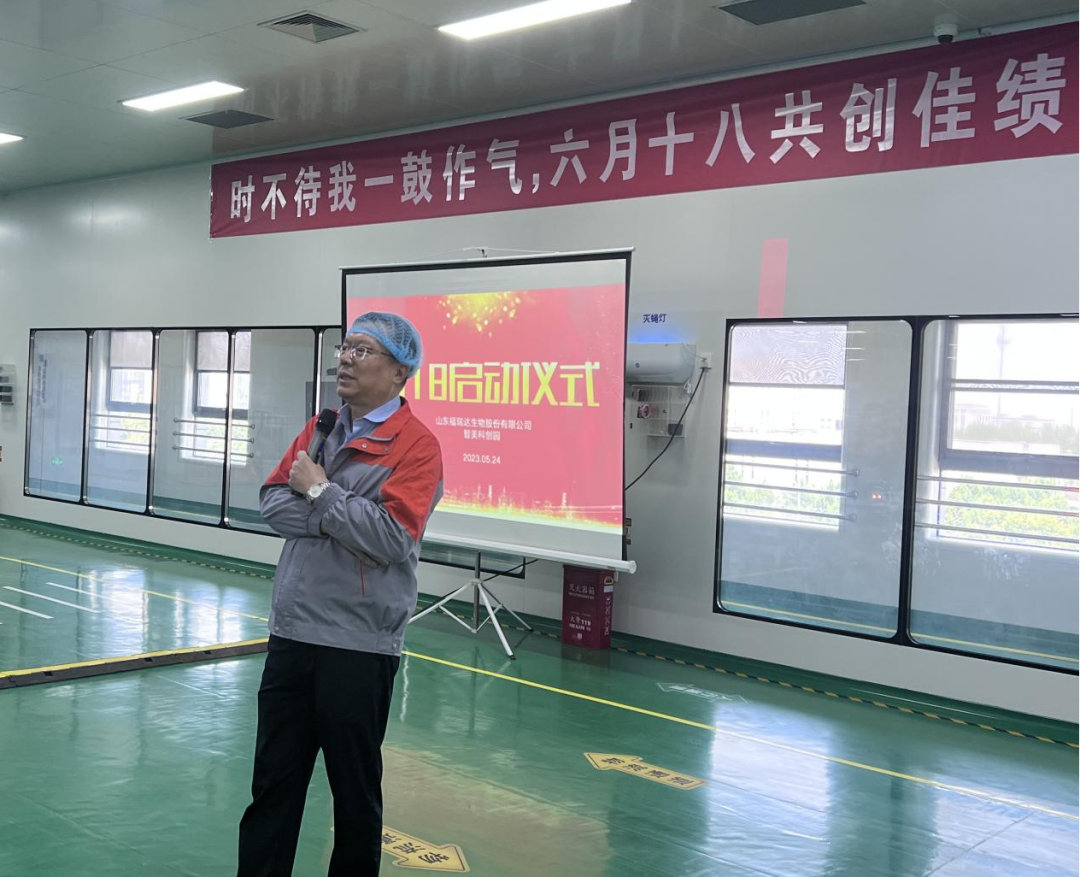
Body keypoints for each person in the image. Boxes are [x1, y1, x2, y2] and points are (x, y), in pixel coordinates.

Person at [237, 312, 443, 877]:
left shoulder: (417, 446)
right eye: (346, 347)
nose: (346, 359)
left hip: (358, 641)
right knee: (272, 786)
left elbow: (391, 540)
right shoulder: (321, 427)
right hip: (293, 631)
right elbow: (273, 503)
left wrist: (320, 491)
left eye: (363, 350)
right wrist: (340, 516)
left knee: (354, 796)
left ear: (400, 371)